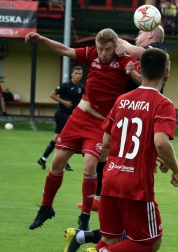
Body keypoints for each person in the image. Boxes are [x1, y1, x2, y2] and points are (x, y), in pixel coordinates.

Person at [76, 48, 178, 252]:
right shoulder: (163, 104)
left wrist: (147, 156)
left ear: (140, 70)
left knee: (110, 238)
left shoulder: (122, 100)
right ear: (166, 72)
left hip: (111, 178)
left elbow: (108, 141)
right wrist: (176, 169)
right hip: (136, 186)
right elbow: (161, 142)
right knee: (150, 242)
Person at [25, 29, 140, 232]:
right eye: (101, 49)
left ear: (116, 47)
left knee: (89, 166)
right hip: (78, 117)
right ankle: (46, 207)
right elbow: (64, 50)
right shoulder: (91, 54)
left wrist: (132, 72)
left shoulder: (124, 61)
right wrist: (41, 39)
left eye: (108, 50)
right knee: (57, 162)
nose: (103, 53)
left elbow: (148, 81)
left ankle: (84, 217)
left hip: (100, 123)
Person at [37, 66, 84, 171]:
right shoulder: (65, 85)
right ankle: (65, 162)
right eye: (76, 73)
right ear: (72, 74)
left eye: (80, 74)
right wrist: (64, 102)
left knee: (56, 138)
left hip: (70, 115)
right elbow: (52, 95)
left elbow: (83, 100)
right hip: (61, 114)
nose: (78, 76)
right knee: (67, 137)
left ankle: (43, 158)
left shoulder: (81, 87)